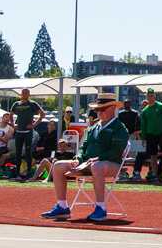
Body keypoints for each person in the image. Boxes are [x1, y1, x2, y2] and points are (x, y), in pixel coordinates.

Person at [41, 93, 129, 221]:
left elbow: (116, 151)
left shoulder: (120, 128)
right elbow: (83, 147)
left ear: (112, 108)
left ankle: (101, 208)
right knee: (58, 165)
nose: (98, 112)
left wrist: (98, 158)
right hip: (88, 164)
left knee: (97, 166)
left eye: (101, 109)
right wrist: (78, 158)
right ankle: (62, 207)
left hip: (111, 164)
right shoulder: (93, 127)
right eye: (97, 109)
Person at [8, 88, 44, 181]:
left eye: (26, 93)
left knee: (28, 152)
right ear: (20, 94)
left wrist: (34, 124)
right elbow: (10, 115)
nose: (24, 94)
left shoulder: (33, 104)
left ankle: (28, 173)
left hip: (28, 132)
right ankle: (17, 174)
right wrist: (13, 125)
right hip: (19, 132)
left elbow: (42, 114)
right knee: (18, 153)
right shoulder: (16, 104)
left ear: (29, 94)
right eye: (23, 93)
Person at [139, 89, 162, 184]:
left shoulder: (161, 107)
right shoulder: (145, 111)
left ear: (155, 96)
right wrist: (144, 138)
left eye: (152, 95)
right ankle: (155, 176)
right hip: (150, 135)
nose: (150, 97)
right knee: (153, 156)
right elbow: (143, 126)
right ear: (146, 97)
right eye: (148, 96)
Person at [116, 99, 142, 181]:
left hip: (133, 135)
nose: (127, 104)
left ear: (130, 104)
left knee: (134, 155)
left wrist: (136, 133)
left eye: (128, 103)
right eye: (125, 103)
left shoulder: (135, 113)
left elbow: (138, 124)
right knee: (123, 155)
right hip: (123, 136)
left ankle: (135, 173)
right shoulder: (120, 113)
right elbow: (119, 124)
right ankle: (123, 173)